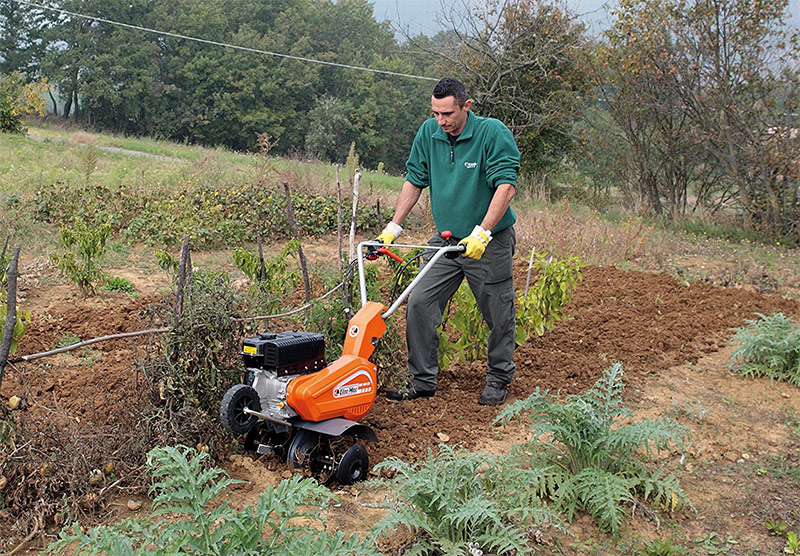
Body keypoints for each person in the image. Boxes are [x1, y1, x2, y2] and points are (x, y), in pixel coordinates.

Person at [377, 77, 519, 406]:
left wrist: (482, 232)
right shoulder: (429, 133)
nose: (441, 121)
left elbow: (506, 187)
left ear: (466, 107)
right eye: (435, 113)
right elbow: (415, 180)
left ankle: (498, 378)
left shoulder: (491, 133)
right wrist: (393, 228)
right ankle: (421, 380)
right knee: (419, 302)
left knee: (498, 312)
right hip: (446, 241)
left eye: (448, 114)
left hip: (490, 241)